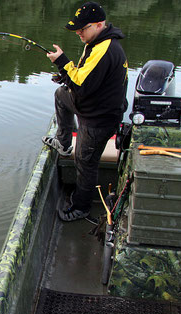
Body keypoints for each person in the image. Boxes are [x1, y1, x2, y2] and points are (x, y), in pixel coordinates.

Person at [42, 2, 128, 221]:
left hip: (99, 118)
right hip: (91, 104)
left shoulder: (105, 49)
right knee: (61, 95)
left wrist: (62, 62)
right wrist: (66, 75)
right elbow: (83, 77)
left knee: (84, 162)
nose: (79, 32)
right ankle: (63, 142)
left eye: (83, 28)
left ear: (99, 25)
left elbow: (81, 85)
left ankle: (81, 207)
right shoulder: (97, 42)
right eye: (77, 29)